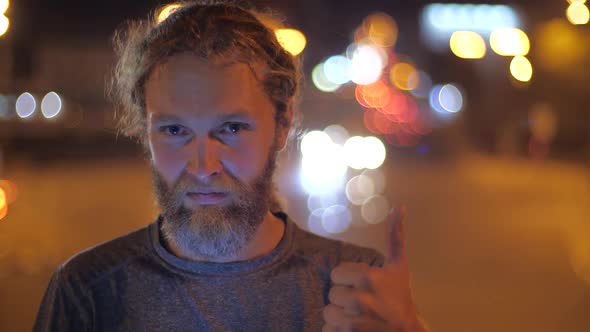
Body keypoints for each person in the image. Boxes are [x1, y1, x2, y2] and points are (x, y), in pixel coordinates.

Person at [34, 1, 429, 331]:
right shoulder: (87, 292)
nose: (204, 166)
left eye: (232, 128)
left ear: (282, 123)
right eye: (174, 130)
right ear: (144, 130)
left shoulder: (356, 288)